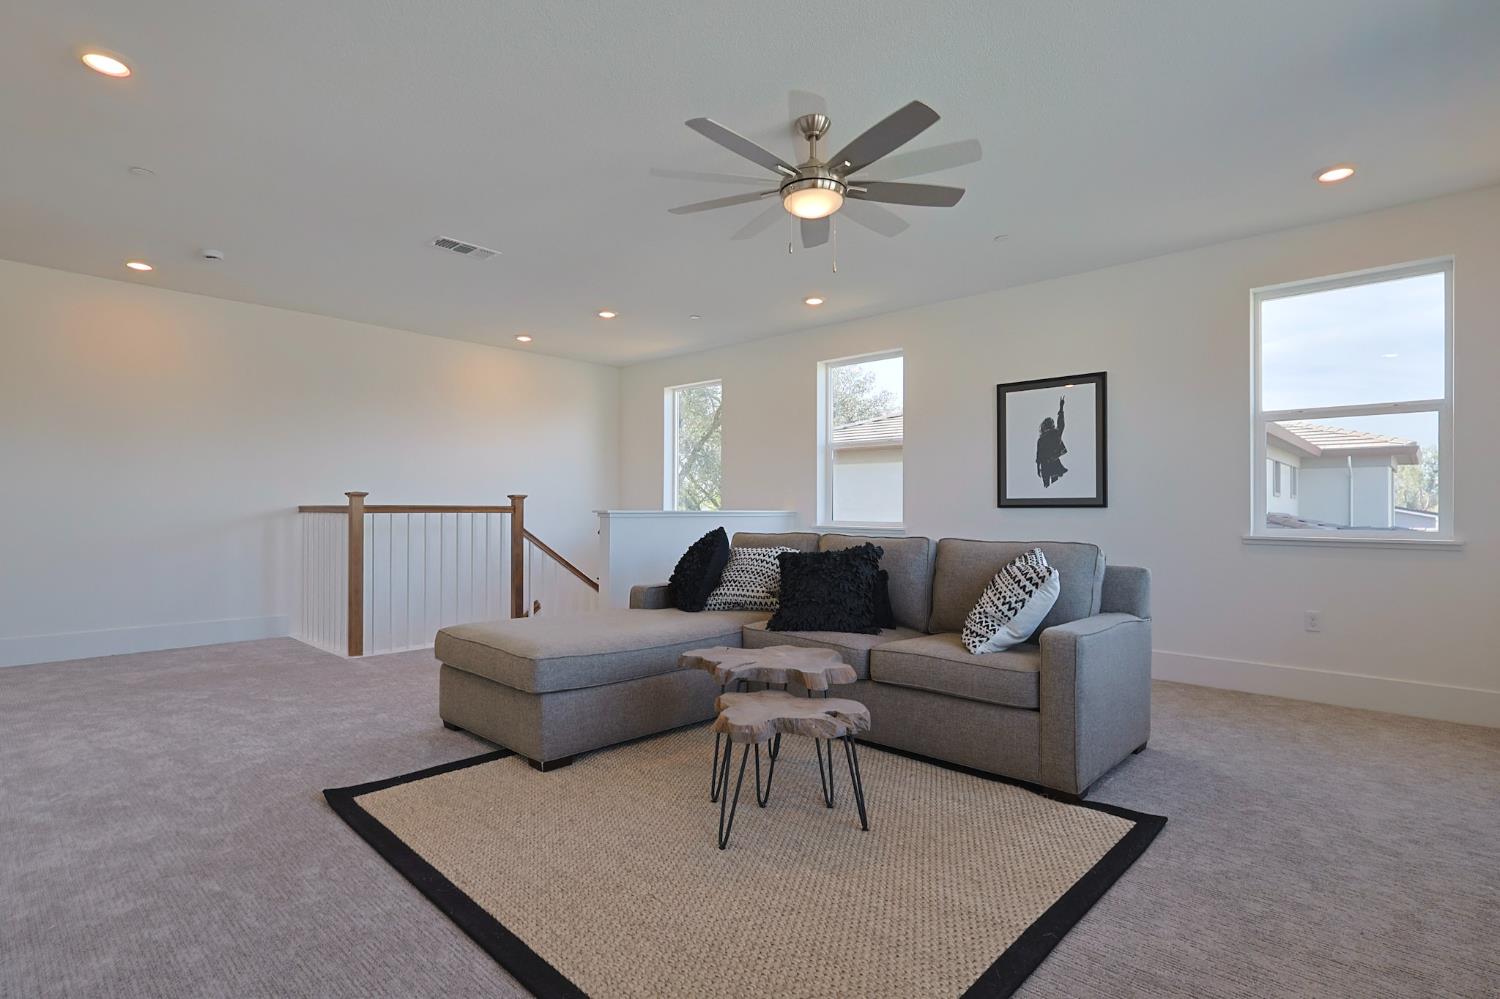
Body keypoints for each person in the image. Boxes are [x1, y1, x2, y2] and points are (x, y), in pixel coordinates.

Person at [1036, 397, 1068, 487]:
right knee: (1053, 486)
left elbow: (1038, 455)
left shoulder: (1043, 438)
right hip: (1050, 464)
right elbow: (1061, 424)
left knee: (1049, 486)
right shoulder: (1054, 434)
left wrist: (1038, 468)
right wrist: (1061, 408)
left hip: (1047, 465)